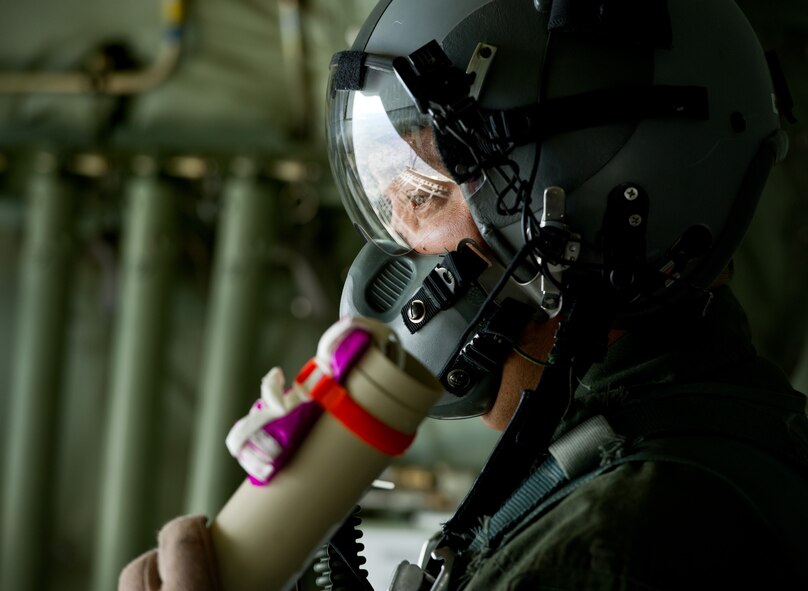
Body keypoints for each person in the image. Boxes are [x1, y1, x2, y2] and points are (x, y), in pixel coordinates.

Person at [121, 0, 808, 589]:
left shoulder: (630, 534)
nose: (390, 259)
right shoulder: (689, 447)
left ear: (599, 212)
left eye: (422, 195)